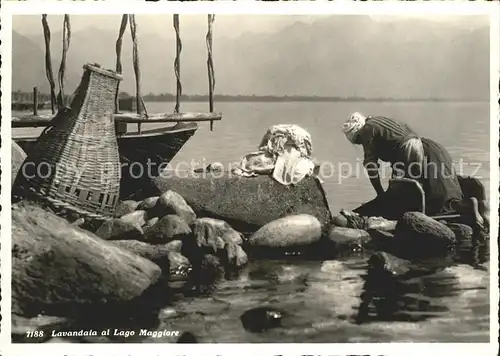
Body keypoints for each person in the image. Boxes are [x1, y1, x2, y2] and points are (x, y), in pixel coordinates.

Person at [342, 112, 489, 231]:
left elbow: (371, 164)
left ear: (357, 132)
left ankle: (419, 217)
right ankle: (427, 212)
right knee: (410, 184)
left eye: (358, 141)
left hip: (405, 148)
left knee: (408, 186)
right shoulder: (378, 121)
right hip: (414, 142)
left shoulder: (367, 130)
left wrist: (380, 193)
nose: (360, 144)